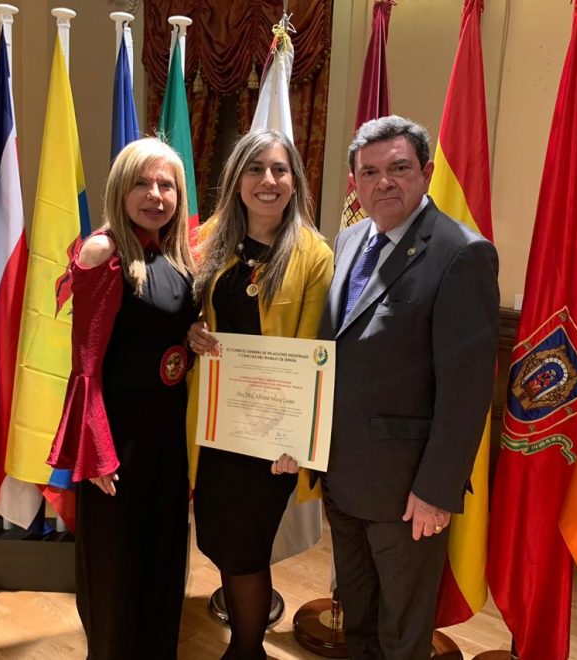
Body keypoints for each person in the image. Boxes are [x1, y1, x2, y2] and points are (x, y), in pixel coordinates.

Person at [319, 115, 499, 658]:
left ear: (425, 171)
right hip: (342, 476)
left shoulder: (461, 252)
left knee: (402, 632)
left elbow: (466, 391)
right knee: (358, 616)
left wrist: (436, 491)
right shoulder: (349, 239)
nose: (384, 182)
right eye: (369, 172)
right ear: (355, 181)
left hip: (406, 491)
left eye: (398, 168)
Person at [46, 137, 197, 659]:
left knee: (162, 560)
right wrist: (97, 452)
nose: (155, 195)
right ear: (119, 189)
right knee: (116, 569)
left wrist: (191, 338)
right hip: (118, 442)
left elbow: (163, 334)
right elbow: (86, 364)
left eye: (166, 185)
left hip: (166, 437)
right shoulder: (104, 252)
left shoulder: (174, 256)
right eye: (142, 183)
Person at [186, 128, 334, 659]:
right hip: (215, 426)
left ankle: (247, 650)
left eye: (279, 170)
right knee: (221, 540)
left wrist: (298, 440)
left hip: (272, 440)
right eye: (255, 169)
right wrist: (190, 330)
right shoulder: (206, 241)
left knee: (246, 548)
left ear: (294, 181)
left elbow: (313, 353)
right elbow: (184, 311)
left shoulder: (314, 254)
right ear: (236, 179)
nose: (267, 180)